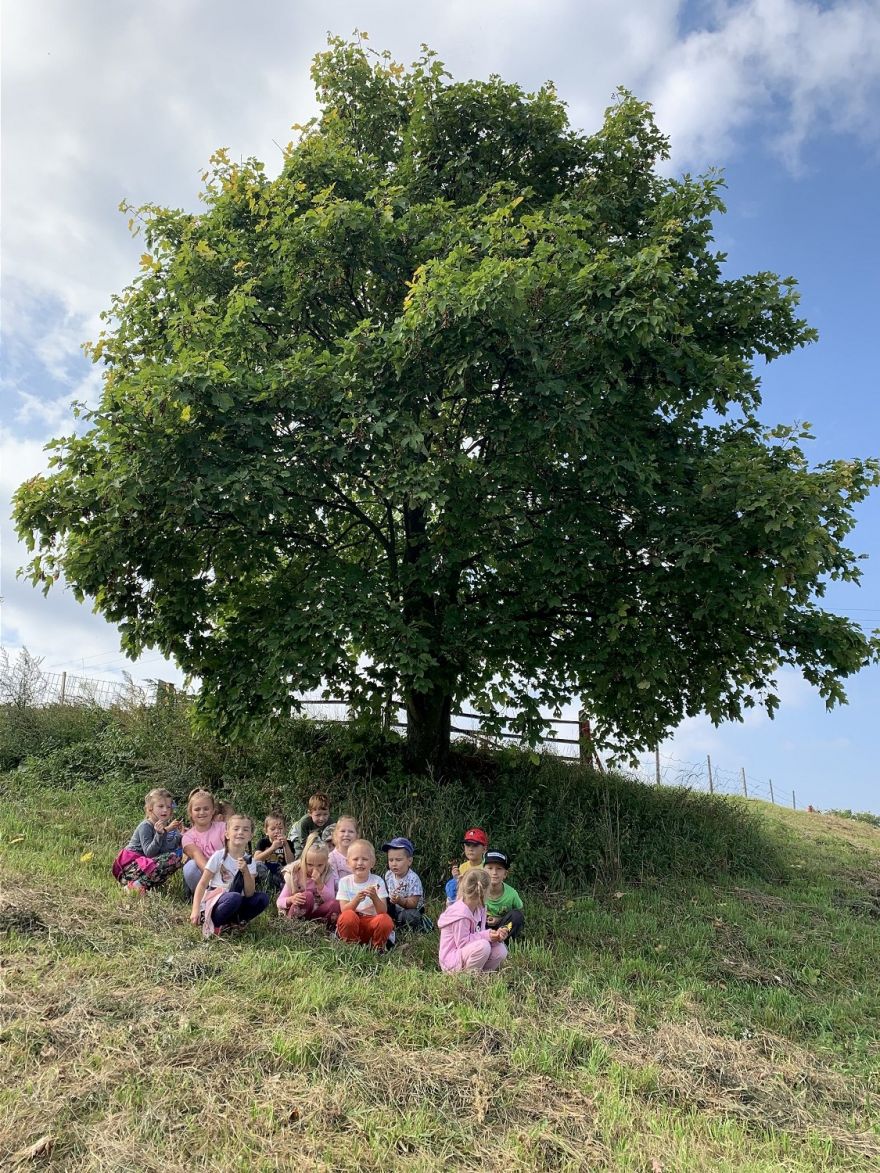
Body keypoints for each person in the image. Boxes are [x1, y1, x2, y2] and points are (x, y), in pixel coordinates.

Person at [189, 814, 269, 937]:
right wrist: (195, 910)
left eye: (245, 830)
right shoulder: (218, 856)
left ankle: (236, 922)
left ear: (250, 836)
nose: (240, 832)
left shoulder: (250, 861)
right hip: (219, 901)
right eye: (236, 829)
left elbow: (249, 893)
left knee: (262, 898)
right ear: (227, 834)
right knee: (234, 897)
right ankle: (217, 923)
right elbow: (202, 884)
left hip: (237, 899)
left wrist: (246, 872)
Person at [111, 787, 183, 892]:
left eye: (168, 807)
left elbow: (166, 849)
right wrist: (160, 834)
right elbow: (150, 853)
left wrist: (180, 835)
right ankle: (134, 886)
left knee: (175, 857)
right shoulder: (146, 826)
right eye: (160, 806)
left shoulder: (166, 826)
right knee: (172, 858)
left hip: (144, 867)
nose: (165, 810)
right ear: (150, 808)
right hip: (129, 870)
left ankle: (142, 886)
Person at [438, 868, 507, 974]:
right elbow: (463, 943)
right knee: (483, 946)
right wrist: (487, 935)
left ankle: (482, 975)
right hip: (452, 962)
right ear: (486, 891)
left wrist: (496, 936)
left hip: (469, 952)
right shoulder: (460, 914)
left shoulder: (481, 907)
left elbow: (479, 933)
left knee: (501, 950)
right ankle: (468, 977)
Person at [336, 839, 394, 951]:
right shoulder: (344, 882)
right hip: (353, 924)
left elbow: (383, 911)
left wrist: (375, 897)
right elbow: (344, 909)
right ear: (348, 863)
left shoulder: (378, 881)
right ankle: (350, 946)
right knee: (347, 916)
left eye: (365, 859)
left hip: (372, 922)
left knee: (385, 920)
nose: (360, 863)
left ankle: (378, 947)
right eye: (355, 859)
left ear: (372, 863)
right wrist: (356, 900)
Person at [277, 833, 340, 926]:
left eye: (320, 865)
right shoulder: (295, 873)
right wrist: (291, 899)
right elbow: (279, 901)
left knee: (336, 904)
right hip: (299, 911)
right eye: (310, 864)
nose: (314, 869)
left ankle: (319, 926)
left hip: (317, 912)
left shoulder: (327, 874)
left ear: (326, 863)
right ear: (303, 861)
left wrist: (320, 885)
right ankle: (293, 925)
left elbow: (330, 899)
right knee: (307, 896)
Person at [181, 788, 226, 895]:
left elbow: (230, 850)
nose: (202, 812)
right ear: (191, 813)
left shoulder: (223, 827)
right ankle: (202, 896)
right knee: (190, 866)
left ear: (213, 811)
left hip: (225, 871)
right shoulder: (187, 837)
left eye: (206, 809)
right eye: (197, 809)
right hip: (204, 875)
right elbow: (197, 856)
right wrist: (213, 876)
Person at [382, 836, 431, 932]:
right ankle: (391, 922)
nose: (394, 864)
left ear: (409, 861)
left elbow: (413, 903)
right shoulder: (388, 875)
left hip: (409, 909)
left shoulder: (413, 879)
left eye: (398, 860)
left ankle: (406, 925)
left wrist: (400, 900)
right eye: (391, 860)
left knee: (410, 916)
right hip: (393, 909)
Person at [483, 850, 524, 941]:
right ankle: (481, 941)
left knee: (517, 915)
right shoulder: (478, 891)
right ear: (483, 871)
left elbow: (520, 913)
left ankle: (503, 942)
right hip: (482, 928)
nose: (494, 872)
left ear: (505, 874)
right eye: (490, 868)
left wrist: (498, 920)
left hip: (502, 927)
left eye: (499, 868)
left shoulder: (512, 894)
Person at [252, 812, 295, 894]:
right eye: (273, 829)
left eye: (280, 828)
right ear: (266, 831)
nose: (277, 831)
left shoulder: (288, 843)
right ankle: (271, 887)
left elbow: (291, 862)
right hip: (266, 872)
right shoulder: (263, 842)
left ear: (285, 829)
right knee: (257, 866)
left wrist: (285, 845)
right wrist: (272, 848)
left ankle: (282, 887)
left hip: (281, 873)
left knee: (291, 869)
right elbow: (256, 859)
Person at [444, 827, 488, 903]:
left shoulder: (487, 867)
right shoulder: (463, 867)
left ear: (484, 849)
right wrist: (456, 878)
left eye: (475, 845)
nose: (470, 849)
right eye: (467, 845)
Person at [291, 792, 335, 859]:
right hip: (298, 835)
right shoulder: (304, 822)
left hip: (316, 834)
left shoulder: (331, 822)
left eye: (325, 814)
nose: (322, 818)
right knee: (300, 853)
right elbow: (304, 843)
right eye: (318, 815)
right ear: (310, 813)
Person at [328, 814, 358, 882]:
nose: (346, 834)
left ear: (356, 835)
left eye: (351, 831)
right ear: (336, 834)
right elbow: (334, 883)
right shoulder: (332, 857)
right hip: (341, 891)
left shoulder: (360, 855)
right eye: (343, 831)